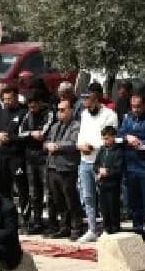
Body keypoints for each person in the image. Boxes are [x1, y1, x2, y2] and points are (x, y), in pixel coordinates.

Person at [76, 87, 118, 242]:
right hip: (85, 160)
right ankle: (92, 229)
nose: (87, 106)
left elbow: (109, 139)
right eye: (85, 103)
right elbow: (81, 135)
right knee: (87, 196)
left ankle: (107, 228)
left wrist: (91, 146)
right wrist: (80, 146)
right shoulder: (84, 114)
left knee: (103, 198)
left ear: (97, 99)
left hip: (100, 161)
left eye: (90, 102)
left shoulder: (110, 115)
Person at [118, 92, 145, 241]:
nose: (135, 109)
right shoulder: (127, 117)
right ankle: (137, 230)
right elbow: (119, 136)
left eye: (138, 106)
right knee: (134, 203)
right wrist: (127, 137)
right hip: (130, 166)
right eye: (133, 106)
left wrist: (138, 143)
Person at [44, 97, 83, 239]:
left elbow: (74, 143)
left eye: (62, 110)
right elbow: (46, 140)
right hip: (52, 166)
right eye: (58, 110)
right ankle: (64, 226)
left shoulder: (76, 125)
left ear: (71, 110)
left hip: (67, 167)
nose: (59, 113)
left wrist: (58, 146)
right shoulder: (54, 126)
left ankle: (76, 226)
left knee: (70, 198)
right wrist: (48, 145)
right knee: (57, 199)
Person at [17, 89, 51, 234]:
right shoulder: (27, 115)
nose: (31, 108)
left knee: (48, 192)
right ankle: (36, 221)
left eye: (34, 105)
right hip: (30, 158)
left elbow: (43, 134)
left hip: (43, 158)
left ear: (40, 103)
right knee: (34, 193)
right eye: (29, 105)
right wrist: (31, 133)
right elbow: (20, 133)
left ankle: (51, 222)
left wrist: (33, 135)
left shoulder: (48, 114)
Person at [0, 85, 26, 202]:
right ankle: (6, 213)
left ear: (16, 97)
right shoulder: (1, 112)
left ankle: (25, 216)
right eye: (4, 99)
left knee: (21, 186)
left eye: (9, 99)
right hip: (1, 155)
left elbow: (26, 135)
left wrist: (9, 138)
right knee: (2, 187)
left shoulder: (24, 113)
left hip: (16, 156)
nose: (6, 102)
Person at [94, 125, 124, 235]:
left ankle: (115, 229)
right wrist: (99, 170)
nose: (105, 141)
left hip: (113, 185)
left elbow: (119, 168)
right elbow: (96, 164)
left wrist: (107, 172)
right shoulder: (102, 150)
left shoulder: (118, 151)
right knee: (104, 208)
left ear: (113, 137)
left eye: (107, 138)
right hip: (102, 184)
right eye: (104, 138)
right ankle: (106, 229)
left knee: (113, 208)